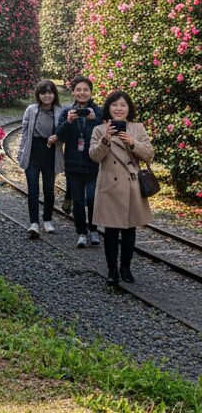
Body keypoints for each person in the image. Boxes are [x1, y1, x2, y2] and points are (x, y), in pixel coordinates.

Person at [90, 90, 154, 286]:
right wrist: (106, 140)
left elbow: (149, 154)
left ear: (129, 109)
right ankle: (112, 270)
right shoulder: (100, 130)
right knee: (110, 232)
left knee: (129, 231)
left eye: (123, 105)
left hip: (131, 185)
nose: (119, 109)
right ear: (108, 108)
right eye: (115, 105)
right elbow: (94, 156)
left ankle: (125, 267)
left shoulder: (137, 128)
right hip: (109, 185)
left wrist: (133, 143)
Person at [56, 76, 103, 248]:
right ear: (73, 92)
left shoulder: (98, 112)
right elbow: (59, 135)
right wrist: (68, 122)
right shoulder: (67, 112)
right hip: (73, 164)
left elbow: (104, 134)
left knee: (92, 198)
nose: (82, 93)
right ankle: (81, 232)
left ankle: (93, 229)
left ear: (91, 92)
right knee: (78, 200)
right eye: (78, 90)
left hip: (93, 163)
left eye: (85, 90)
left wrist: (94, 121)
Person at [16, 79, 64, 238]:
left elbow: (63, 133)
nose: (47, 96)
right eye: (43, 93)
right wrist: (21, 152)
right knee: (33, 190)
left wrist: (58, 137)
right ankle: (34, 223)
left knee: (49, 190)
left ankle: (47, 220)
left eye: (50, 92)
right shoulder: (31, 109)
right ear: (39, 94)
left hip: (50, 154)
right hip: (33, 154)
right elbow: (24, 132)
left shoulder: (59, 111)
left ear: (54, 94)